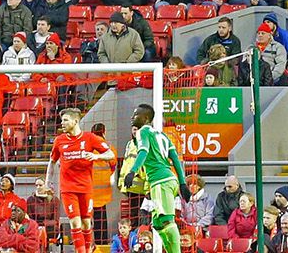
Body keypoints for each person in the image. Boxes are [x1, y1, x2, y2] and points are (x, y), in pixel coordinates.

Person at [119, 104, 186, 253]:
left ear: (146, 118)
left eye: (136, 114)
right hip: (168, 180)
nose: (132, 117)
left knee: (168, 221)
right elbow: (174, 158)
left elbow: (143, 151)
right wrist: (182, 183)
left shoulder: (143, 131)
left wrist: (132, 172)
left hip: (160, 181)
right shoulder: (162, 135)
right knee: (158, 223)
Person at [49, 109, 115, 253]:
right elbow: (52, 161)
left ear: (75, 121)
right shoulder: (59, 140)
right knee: (75, 222)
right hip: (68, 189)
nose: (62, 123)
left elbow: (110, 154)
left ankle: (87, 249)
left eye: (65, 120)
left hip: (85, 188)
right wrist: (48, 181)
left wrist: (95, 156)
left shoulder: (90, 138)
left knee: (86, 223)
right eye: (62, 120)